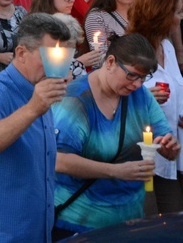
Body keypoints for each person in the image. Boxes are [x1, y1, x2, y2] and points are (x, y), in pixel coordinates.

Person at [51, 34, 180, 238]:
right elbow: (59, 160)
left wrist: (169, 147)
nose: (138, 84)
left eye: (143, 77)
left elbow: (164, 136)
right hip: (79, 225)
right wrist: (116, 171)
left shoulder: (140, 96)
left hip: (129, 222)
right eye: (132, 75)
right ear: (110, 62)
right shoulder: (76, 100)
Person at [0, 13, 71, 242]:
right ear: (21, 53)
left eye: (62, 57)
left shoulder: (38, 90)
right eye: (50, 56)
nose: (57, 66)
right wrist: (32, 109)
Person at [127, 0, 183, 214]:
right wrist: (143, 97)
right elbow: (111, 98)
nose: (181, 19)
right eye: (178, 13)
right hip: (141, 156)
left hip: (171, 153)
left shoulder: (167, 47)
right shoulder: (130, 50)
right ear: (162, 15)